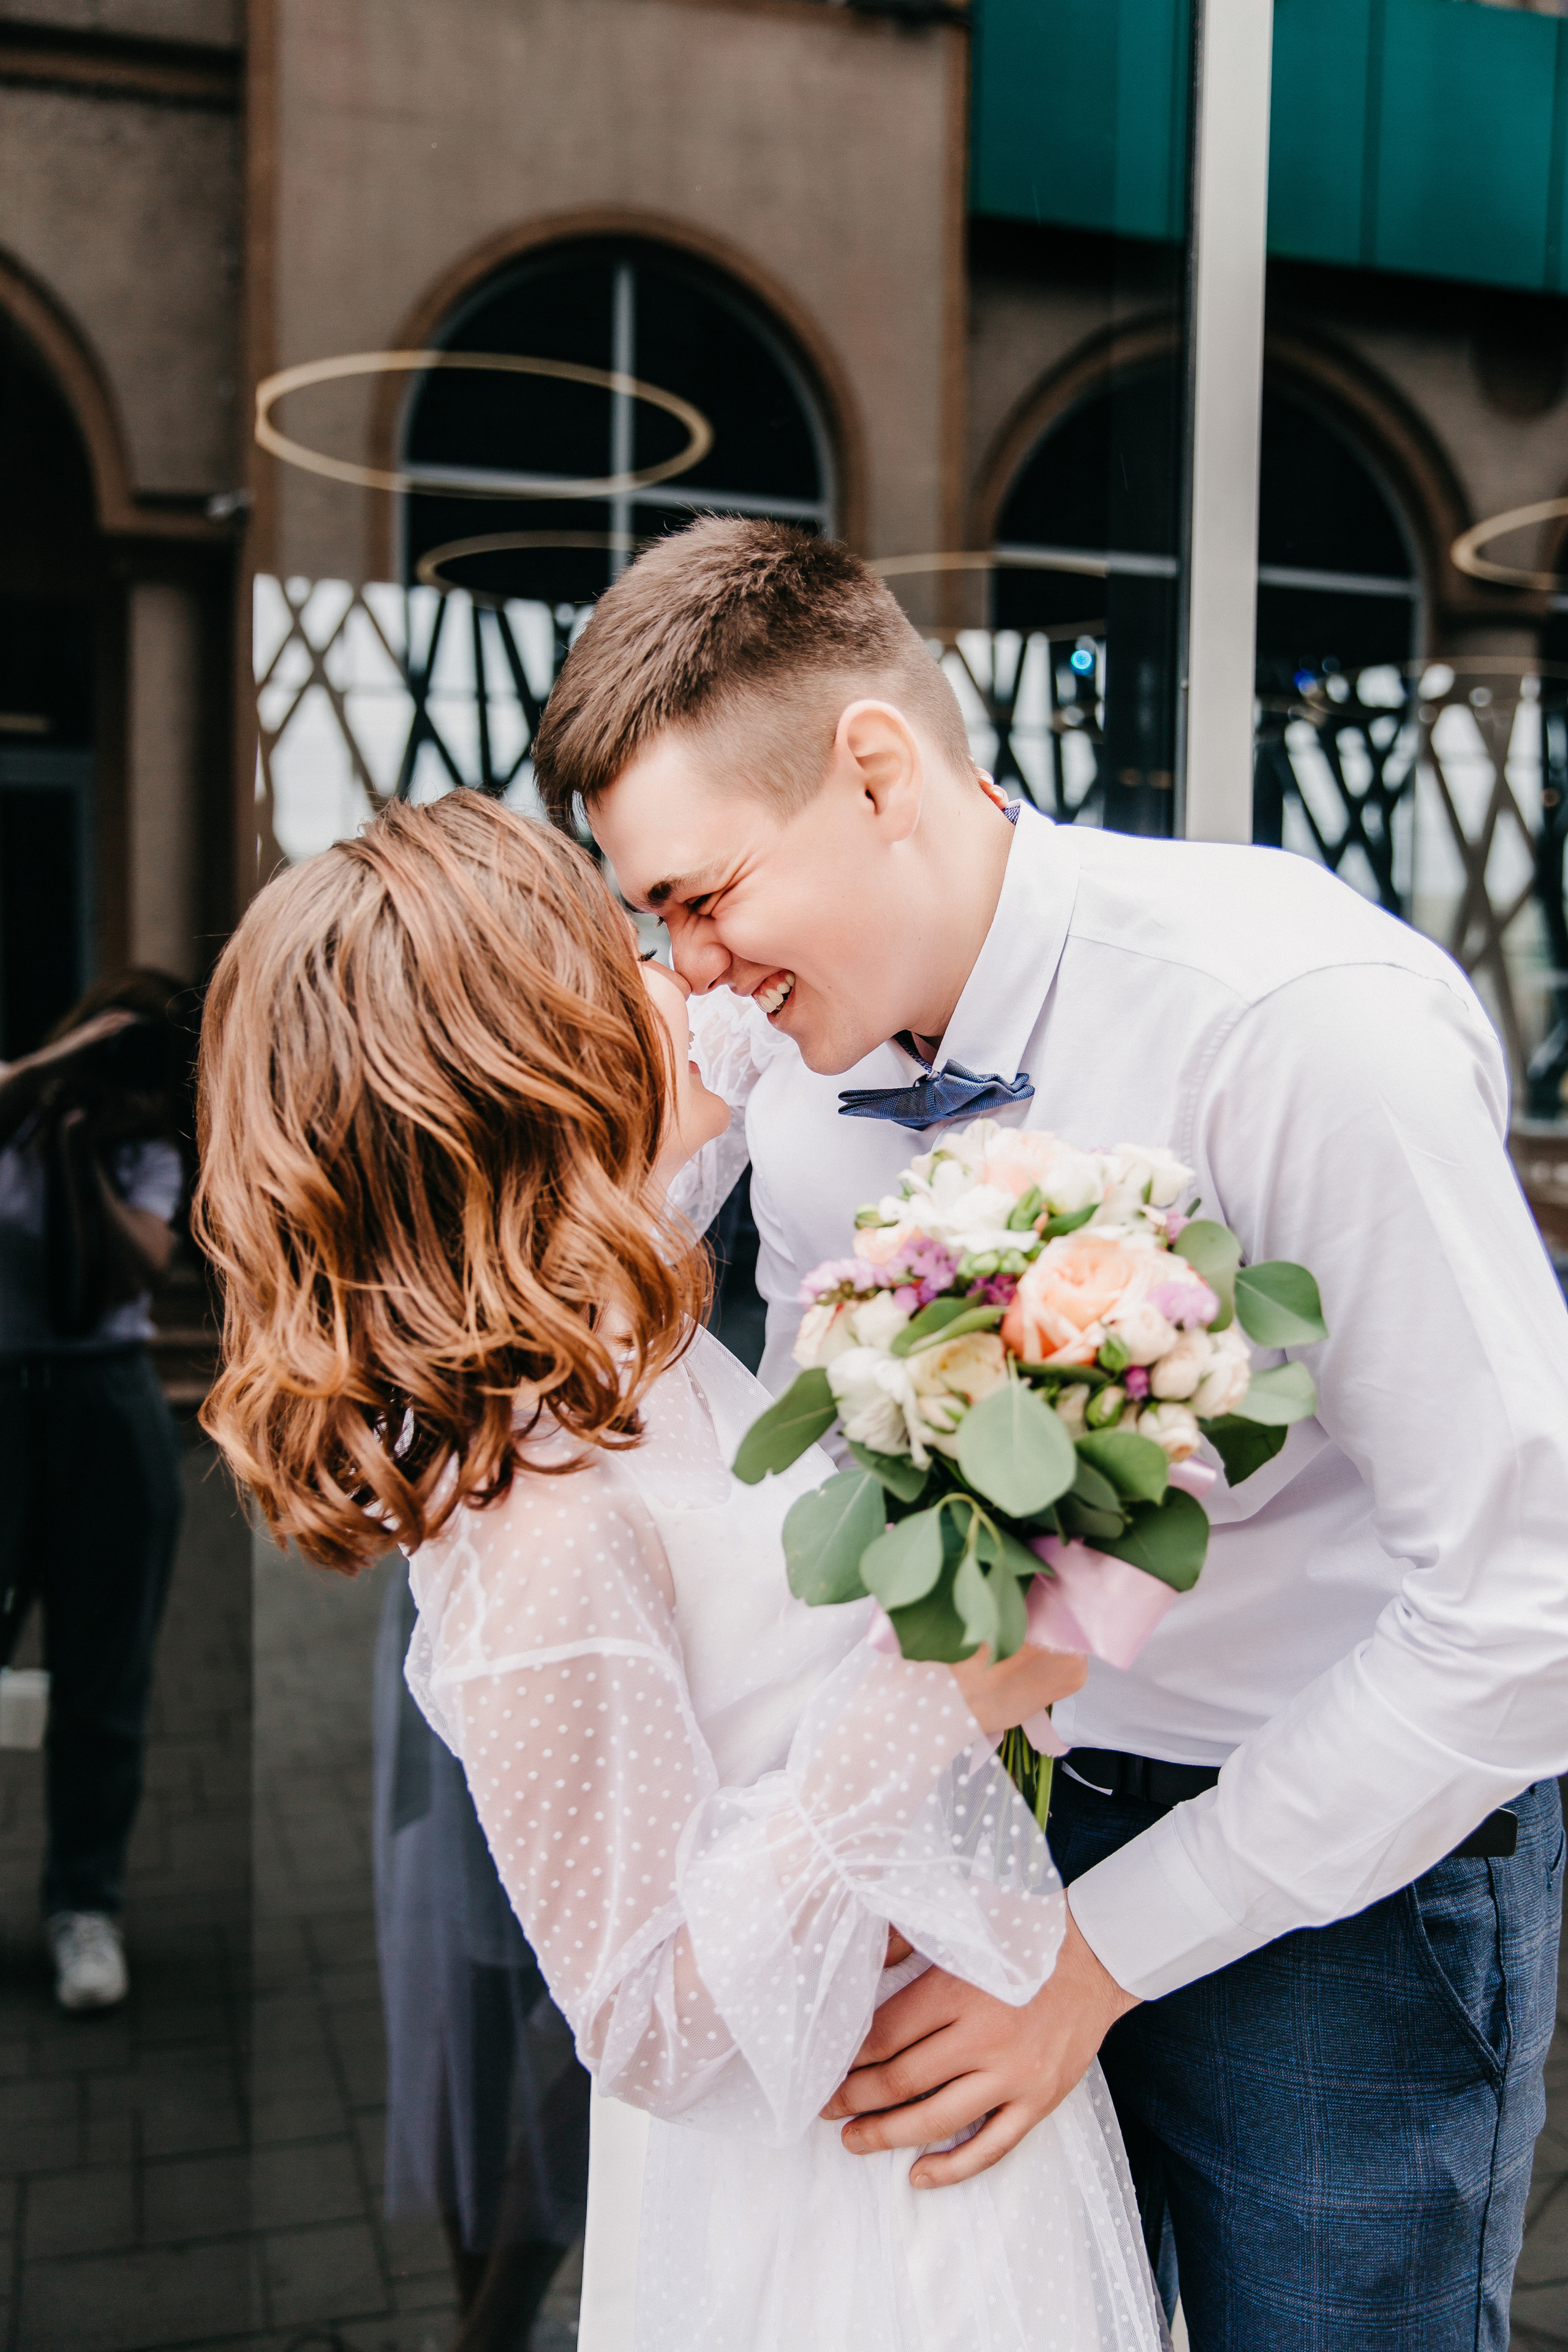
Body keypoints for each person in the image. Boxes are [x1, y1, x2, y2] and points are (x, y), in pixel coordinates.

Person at [535, 516, 1568, 2351]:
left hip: (1347, 1888)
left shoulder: (1295, 1028)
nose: (688, 973)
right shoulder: (790, 1055)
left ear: (873, 769)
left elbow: (1532, 1614)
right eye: (654, 919)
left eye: (705, 898)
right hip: (991, 1831)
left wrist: (1101, 1959)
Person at [194, 793, 1166, 2352]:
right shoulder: (536, 1518)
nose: (692, 978)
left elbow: (747, 1045)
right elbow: (642, 2019)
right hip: (844, 2203)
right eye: (632, 955)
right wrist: (942, 1689)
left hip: (926, 2082)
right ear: (534, 1082)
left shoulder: (594, 1304)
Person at [0, 971, 189, 2011]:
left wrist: (91, 1155)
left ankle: (86, 1905)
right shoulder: (13, 1114)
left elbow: (136, 1275)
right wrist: (51, 1079)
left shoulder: (143, 1155)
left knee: (103, 1682)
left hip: (104, 1407)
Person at [373, 1561, 590, 2351]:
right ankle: (493, 2327)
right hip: (516, 1578)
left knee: (493, 1986)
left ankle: (490, 2325)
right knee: (483, 1983)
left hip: (503, 1560)